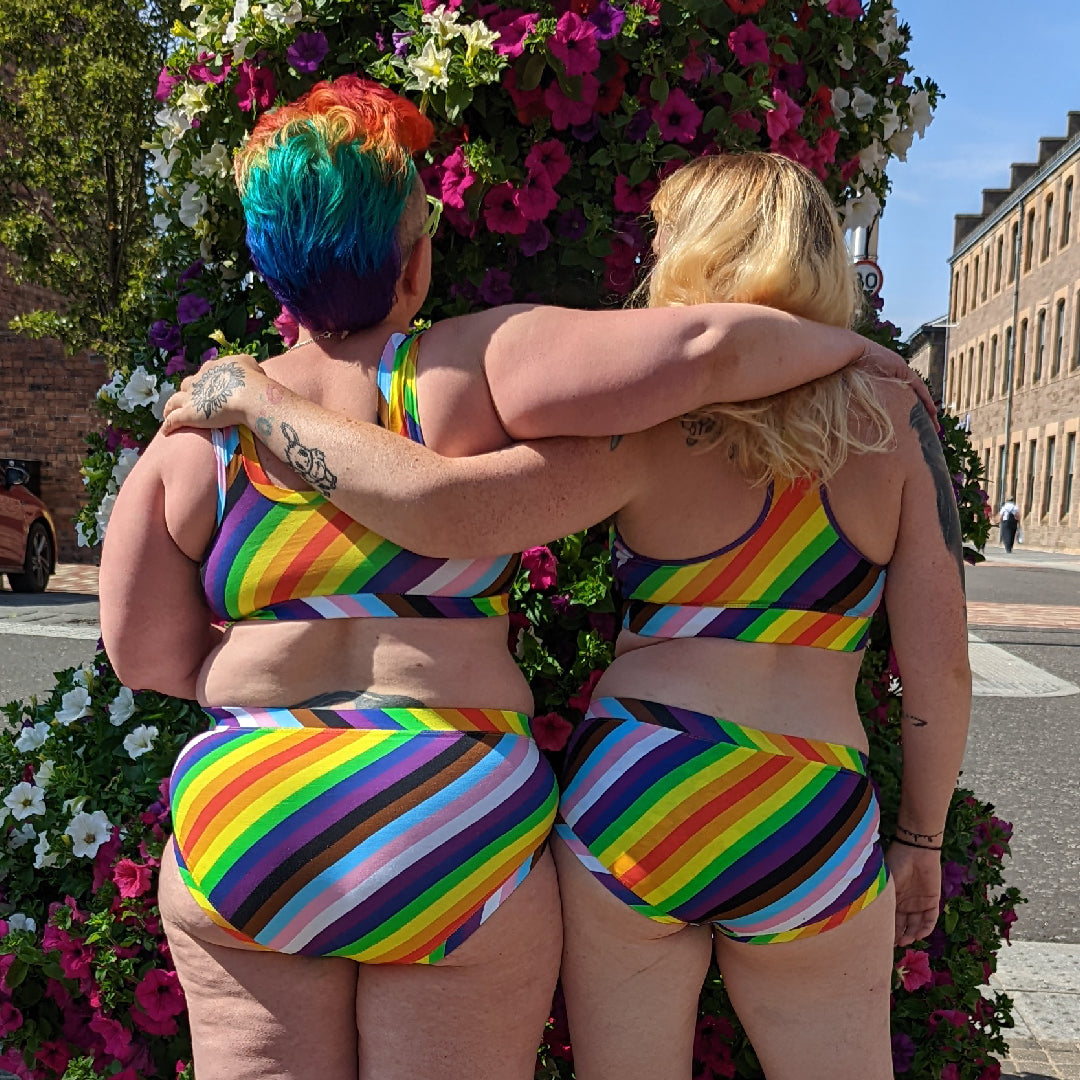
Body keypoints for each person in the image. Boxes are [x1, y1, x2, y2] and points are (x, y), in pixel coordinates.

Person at [99, 76, 922, 1080]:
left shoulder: (198, 435)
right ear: (413, 260)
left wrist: (277, 697)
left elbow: (142, 654)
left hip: (250, 811)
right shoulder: (477, 366)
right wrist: (850, 347)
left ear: (271, 267)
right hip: (449, 803)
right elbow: (708, 346)